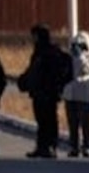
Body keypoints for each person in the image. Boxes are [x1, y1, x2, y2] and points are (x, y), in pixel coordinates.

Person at [16, 24, 70, 157]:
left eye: (34, 36)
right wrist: (24, 81)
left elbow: (54, 73)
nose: (33, 39)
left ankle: (51, 146)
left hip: (48, 93)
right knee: (41, 121)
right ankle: (41, 147)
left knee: (49, 121)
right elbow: (33, 71)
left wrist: (55, 87)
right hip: (38, 92)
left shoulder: (51, 53)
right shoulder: (38, 52)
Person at [63, 31, 89, 155]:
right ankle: (73, 146)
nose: (77, 48)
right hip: (70, 94)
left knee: (86, 122)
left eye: (81, 45)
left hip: (84, 96)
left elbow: (88, 70)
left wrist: (81, 57)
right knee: (72, 123)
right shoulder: (69, 57)